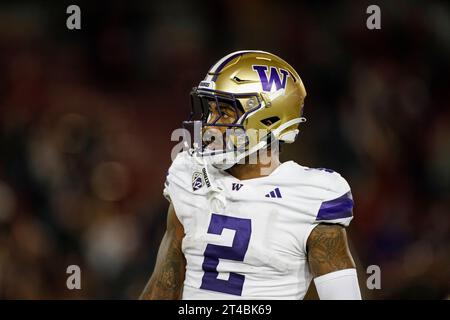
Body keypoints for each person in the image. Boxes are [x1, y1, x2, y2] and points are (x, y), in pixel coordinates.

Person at [140, 50, 362, 300]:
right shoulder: (191, 179)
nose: (211, 124)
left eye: (225, 113)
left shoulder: (311, 196)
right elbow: (162, 287)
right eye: (210, 110)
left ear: (269, 119)